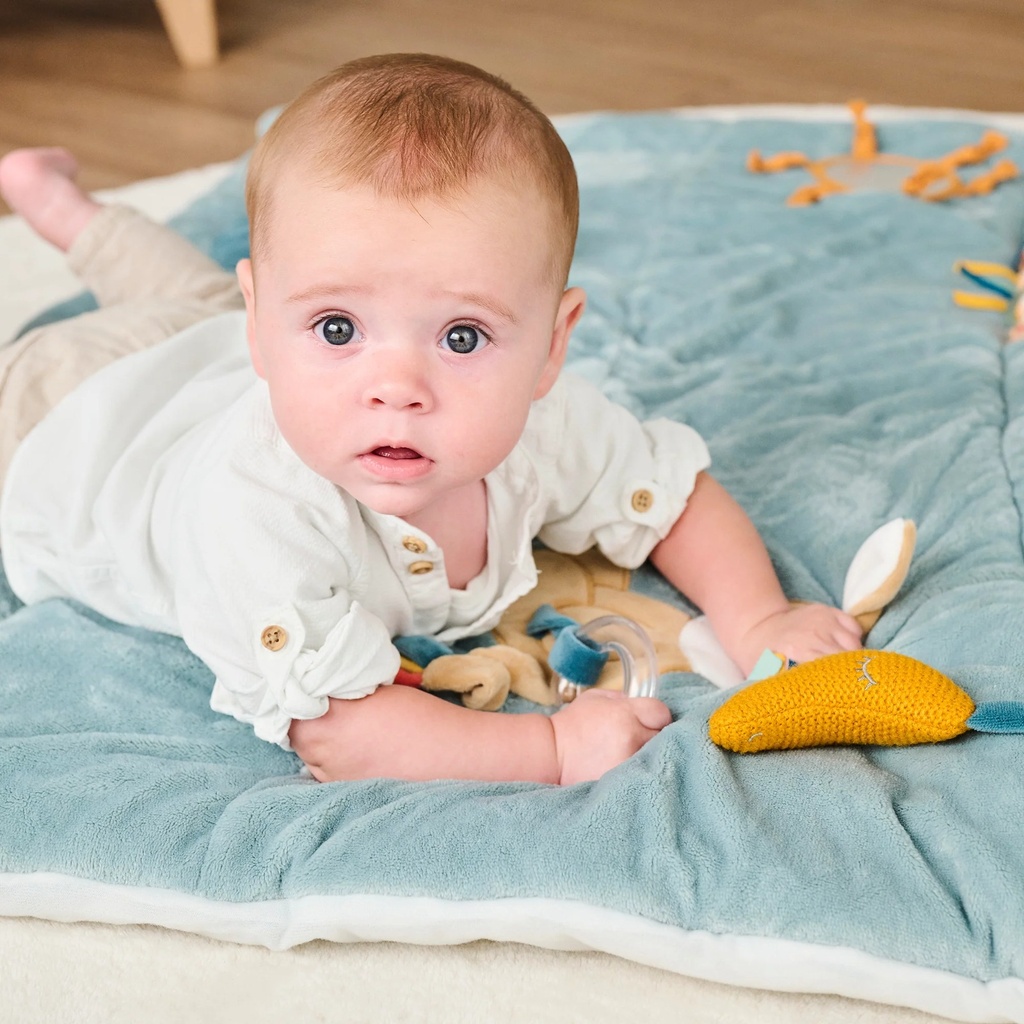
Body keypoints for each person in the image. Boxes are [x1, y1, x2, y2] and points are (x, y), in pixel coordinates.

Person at [0, 54, 864, 786]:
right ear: (268, 327)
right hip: (61, 420)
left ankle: (53, 199)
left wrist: (759, 618)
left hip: (208, 352)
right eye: (338, 327)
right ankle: (65, 214)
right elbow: (339, 733)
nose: (396, 388)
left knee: (190, 305)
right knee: (184, 311)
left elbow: (673, 498)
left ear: (551, 345)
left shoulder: (544, 424)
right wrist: (549, 749)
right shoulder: (257, 515)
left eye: (461, 336)